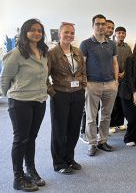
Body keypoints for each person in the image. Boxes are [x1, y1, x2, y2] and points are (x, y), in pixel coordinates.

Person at [1, 19, 48, 191]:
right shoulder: (16, 53)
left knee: (32, 138)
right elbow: (4, 79)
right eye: (32, 30)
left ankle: (31, 170)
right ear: (24, 32)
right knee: (20, 139)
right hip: (20, 102)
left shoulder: (43, 52)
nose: (36, 33)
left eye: (40, 31)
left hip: (39, 100)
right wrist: (11, 96)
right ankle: (18, 177)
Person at [48, 23, 86, 174]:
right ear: (59, 34)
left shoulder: (77, 51)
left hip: (77, 94)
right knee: (59, 130)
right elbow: (44, 76)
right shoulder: (52, 53)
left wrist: (83, 86)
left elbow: (83, 71)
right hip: (60, 95)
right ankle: (59, 163)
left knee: (74, 129)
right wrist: (53, 93)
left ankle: (69, 158)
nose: (69, 35)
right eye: (66, 32)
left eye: (72, 33)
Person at [80, 14, 119, 156]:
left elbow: (115, 63)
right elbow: (82, 65)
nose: (101, 26)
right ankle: (92, 143)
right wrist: (86, 83)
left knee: (106, 116)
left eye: (103, 24)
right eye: (98, 24)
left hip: (110, 84)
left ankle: (103, 141)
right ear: (93, 26)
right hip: (92, 84)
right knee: (91, 117)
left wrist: (116, 81)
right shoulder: (86, 44)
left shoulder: (112, 44)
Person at [109, 26, 132, 133]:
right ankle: (111, 124)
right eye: (119, 33)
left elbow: (130, 62)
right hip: (112, 78)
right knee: (113, 102)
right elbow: (109, 62)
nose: (121, 35)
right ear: (115, 34)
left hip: (124, 78)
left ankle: (120, 122)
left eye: (123, 33)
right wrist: (115, 74)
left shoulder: (128, 47)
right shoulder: (111, 46)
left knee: (122, 100)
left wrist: (124, 73)